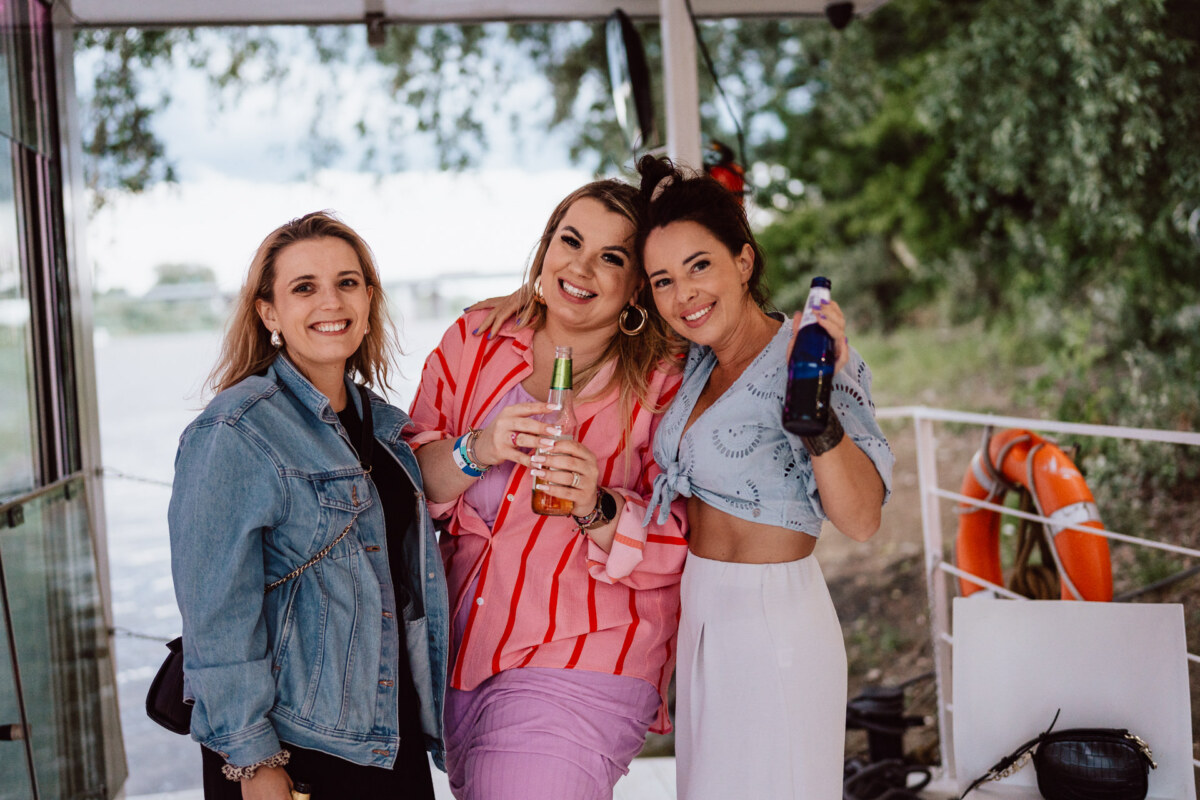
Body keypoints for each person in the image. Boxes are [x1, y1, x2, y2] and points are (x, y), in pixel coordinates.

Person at [405, 180, 688, 800]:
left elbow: (690, 534)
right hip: (462, 659)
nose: (582, 267)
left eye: (612, 257)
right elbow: (406, 486)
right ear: (546, 246)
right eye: (571, 240)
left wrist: (598, 505)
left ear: (638, 283)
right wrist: (476, 449)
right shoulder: (475, 340)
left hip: (588, 655)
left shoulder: (667, 379)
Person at [635, 156, 894, 799]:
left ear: (743, 262)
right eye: (662, 280)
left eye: (700, 265)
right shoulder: (693, 364)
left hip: (773, 619)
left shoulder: (813, 354)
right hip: (699, 616)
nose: (684, 294)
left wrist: (817, 419)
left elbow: (861, 520)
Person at [168, 211, 448, 799]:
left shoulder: (385, 427)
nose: (332, 301)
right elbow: (216, 617)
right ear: (269, 312)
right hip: (293, 745)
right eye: (304, 287)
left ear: (369, 299)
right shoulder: (235, 430)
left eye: (347, 282)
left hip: (382, 731)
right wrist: (254, 761)